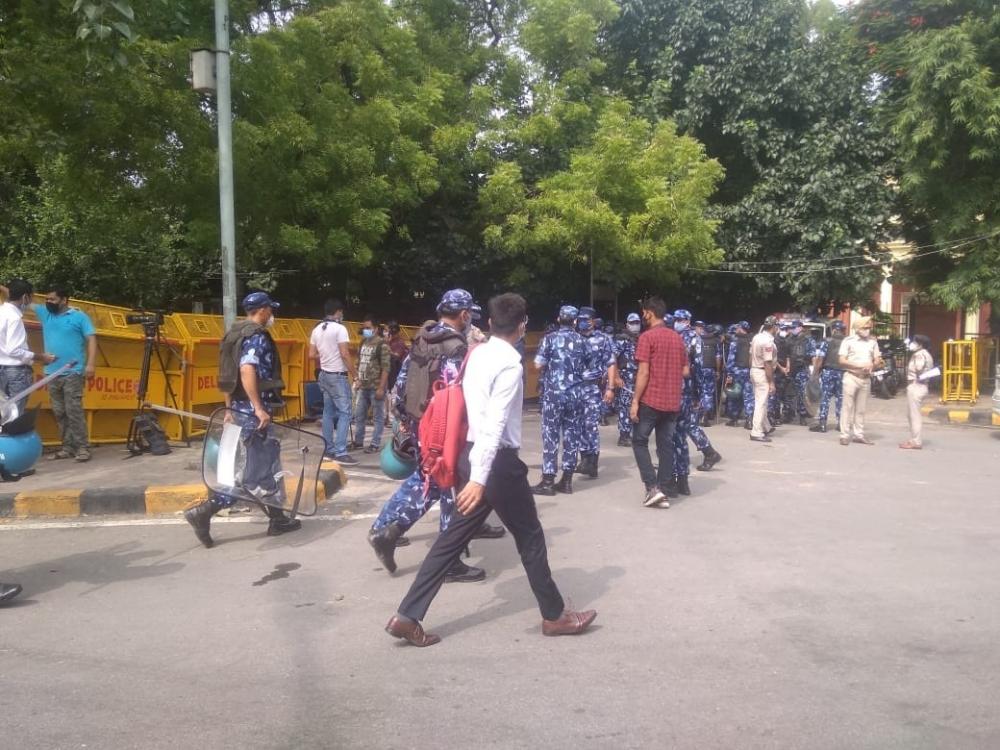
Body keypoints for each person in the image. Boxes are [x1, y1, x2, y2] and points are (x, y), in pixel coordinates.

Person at [385, 293, 597, 647]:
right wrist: (481, 480)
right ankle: (554, 616)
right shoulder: (510, 363)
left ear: (488, 323)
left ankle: (407, 616)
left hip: (471, 453)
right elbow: (495, 424)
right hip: (496, 461)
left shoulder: (477, 353)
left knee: (452, 538)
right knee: (530, 536)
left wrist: (476, 475)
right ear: (522, 325)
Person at [366, 289, 503, 581]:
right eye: (470, 315)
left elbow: (402, 381)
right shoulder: (454, 347)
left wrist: (404, 420)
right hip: (445, 428)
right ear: (464, 315)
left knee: (429, 479)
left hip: (420, 423)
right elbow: (461, 395)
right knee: (449, 484)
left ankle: (387, 529)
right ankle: (447, 560)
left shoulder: (423, 338)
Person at [184, 292, 302, 547]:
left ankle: (278, 519)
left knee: (265, 466)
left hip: (239, 408)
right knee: (254, 473)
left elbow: (227, 375)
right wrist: (258, 408)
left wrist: (229, 408)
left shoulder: (234, 334)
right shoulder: (256, 336)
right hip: (253, 413)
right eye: (271, 309)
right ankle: (205, 511)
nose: (273, 314)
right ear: (262, 310)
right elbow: (246, 369)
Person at [630, 296, 686, 508]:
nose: (642, 316)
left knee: (639, 441)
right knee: (665, 445)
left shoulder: (647, 337)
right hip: (672, 401)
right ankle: (664, 487)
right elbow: (685, 369)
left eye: (644, 312)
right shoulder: (677, 338)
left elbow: (643, 372)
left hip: (651, 399)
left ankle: (652, 488)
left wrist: (635, 401)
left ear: (649, 313)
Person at [33, 286, 97, 462]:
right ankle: (67, 447)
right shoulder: (45, 314)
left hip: (73, 372)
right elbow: (17, 294)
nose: (48, 302)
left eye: (52, 299)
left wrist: (90, 364)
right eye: (47, 299)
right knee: (59, 412)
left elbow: (91, 339)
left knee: (73, 410)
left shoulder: (79, 317)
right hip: (52, 373)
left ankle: (83, 448)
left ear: (64, 300)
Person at [533, 305, 587, 495]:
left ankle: (548, 481)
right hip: (576, 395)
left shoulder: (549, 339)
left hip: (554, 395)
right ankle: (567, 481)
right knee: (572, 436)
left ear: (558, 319)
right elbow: (592, 368)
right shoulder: (583, 341)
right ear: (574, 321)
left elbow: (538, 364)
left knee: (551, 436)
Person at [670, 310, 722, 495]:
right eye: (675, 319)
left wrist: (699, 394)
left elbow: (699, 367)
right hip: (674, 391)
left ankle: (704, 457)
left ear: (688, 321)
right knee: (682, 431)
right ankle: (703, 457)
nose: (677, 322)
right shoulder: (674, 335)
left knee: (682, 431)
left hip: (686, 391)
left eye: (681, 320)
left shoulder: (693, 338)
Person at [309, 299, 358, 465]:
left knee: (327, 412)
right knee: (345, 413)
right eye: (341, 312)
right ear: (338, 311)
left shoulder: (317, 329)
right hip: (338, 376)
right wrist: (356, 375)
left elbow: (311, 355)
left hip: (324, 374)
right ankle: (341, 452)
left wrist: (325, 355)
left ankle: (328, 450)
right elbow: (344, 354)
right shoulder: (340, 329)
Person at [0, 279, 54, 413]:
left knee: (3, 415)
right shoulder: (14, 318)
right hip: (16, 374)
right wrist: (41, 357)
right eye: (31, 298)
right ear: (25, 297)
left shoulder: (2, 312)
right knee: (14, 415)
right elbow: (13, 350)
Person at [838, 316, 883, 446]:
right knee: (847, 407)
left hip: (865, 379)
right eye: (865, 328)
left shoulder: (872, 342)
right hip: (851, 377)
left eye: (869, 328)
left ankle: (859, 434)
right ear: (857, 329)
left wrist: (873, 365)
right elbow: (841, 360)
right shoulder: (848, 341)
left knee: (861, 409)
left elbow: (877, 359)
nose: (867, 330)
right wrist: (859, 366)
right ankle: (844, 435)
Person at [351, 315, 390, 453]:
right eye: (364, 328)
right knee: (359, 415)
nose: (365, 330)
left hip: (375, 386)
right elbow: (359, 362)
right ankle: (358, 441)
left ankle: (375, 443)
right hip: (363, 386)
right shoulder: (362, 343)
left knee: (377, 417)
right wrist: (357, 380)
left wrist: (381, 388)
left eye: (368, 328)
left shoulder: (382, 345)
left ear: (375, 329)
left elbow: (386, 368)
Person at [809, 321, 846, 433]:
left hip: (828, 372)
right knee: (840, 398)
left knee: (825, 398)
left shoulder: (827, 342)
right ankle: (840, 424)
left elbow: (820, 359)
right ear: (843, 330)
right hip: (842, 373)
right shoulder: (847, 342)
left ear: (834, 329)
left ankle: (823, 424)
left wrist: (815, 373)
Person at [900, 334, 934, 450]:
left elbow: (919, 369)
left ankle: (916, 441)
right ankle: (914, 439)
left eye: (915, 342)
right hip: (921, 386)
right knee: (911, 415)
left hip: (916, 386)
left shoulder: (919, 355)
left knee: (914, 416)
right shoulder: (927, 354)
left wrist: (914, 358)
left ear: (920, 344)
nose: (912, 344)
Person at [612, 313, 641, 447]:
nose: (635, 325)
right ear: (627, 324)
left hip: (638, 377)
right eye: (632, 322)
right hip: (625, 377)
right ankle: (624, 435)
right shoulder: (621, 340)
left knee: (636, 405)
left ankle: (635, 433)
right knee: (625, 406)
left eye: (637, 322)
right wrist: (616, 376)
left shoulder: (640, 339)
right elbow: (613, 359)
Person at [749, 316, 778, 443]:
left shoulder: (757, 337)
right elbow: (767, 363)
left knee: (762, 401)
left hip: (755, 369)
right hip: (762, 372)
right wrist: (771, 382)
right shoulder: (768, 342)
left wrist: (752, 370)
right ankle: (756, 432)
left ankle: (766, 426)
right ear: (774, 327)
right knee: (761, 403)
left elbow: (750, 356)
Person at [784, 320, 812, 426]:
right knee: (789, 394)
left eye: (794, 327)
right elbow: (787, 355)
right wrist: (787, 366)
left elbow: (813, 355)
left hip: (802, 369)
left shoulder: (807, 340)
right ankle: (788, 414)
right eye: (792, 327)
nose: (793, 329)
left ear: (800, 328)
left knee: (802, 394)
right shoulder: (789, 339)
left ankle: (803, 416)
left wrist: (813, 372)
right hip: (791, 369)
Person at [726, 321, 753, 428]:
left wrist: (729, 373)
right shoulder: (752, 341)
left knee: (734, 395)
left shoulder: (735, 341)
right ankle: (749, 420)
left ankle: (734, 419)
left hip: (737, 371)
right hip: (749, 371)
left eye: (738, 327)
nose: (736, 329)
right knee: (749, 396)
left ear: (741, 328)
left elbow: (731, 359)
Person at [696, 322, 721, 426]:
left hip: (698, 369)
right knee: (708, 393)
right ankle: (704, 416)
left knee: (699, 391)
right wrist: (718, 370)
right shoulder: (716, 341)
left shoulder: (697, 339)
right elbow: (718, 357)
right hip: (709, 369)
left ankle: (697, 415)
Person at [385, 321, 409, 392]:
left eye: (386, 330)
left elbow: (397, 356)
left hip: (396, 375)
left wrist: (387, 347)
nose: (385, 332)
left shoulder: (400, 342)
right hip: (389, 374)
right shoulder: (389, 341)